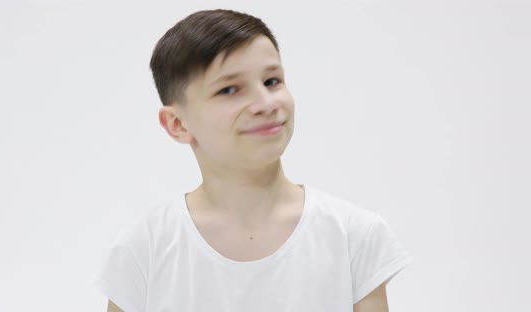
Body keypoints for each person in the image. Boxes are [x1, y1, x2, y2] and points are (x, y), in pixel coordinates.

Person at [93, 9, 412, 312]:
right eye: (229, 89)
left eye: (272, 81)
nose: (265, 103)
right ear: (177, 124)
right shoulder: (145, 247)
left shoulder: (353, 235)